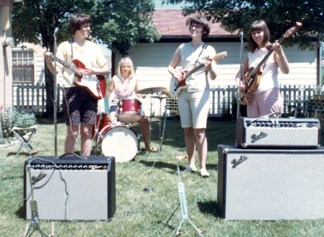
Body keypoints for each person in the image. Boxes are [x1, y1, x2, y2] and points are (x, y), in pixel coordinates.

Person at [45, 13, 109, 156]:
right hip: (72, 91)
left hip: (91, 91)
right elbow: (56, 70)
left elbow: (106, 70)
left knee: (87, 130)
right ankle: (68, 162)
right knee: (72, 132)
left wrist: (94, 70)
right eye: (85, 26)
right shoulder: (65, 47)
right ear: (77, 27)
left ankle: (85, 163)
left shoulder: (94, 47)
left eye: (89, 25)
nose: (88, 29)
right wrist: (49, 60)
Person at [168, 16, 217, 177]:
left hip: (200, 92)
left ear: (204, 30)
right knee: (187, 130)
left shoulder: (209, 50)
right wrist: (176, 74)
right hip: (182, 92)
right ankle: (191, 164)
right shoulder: (182, 47)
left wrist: (210, 68)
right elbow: (171, 66)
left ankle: (203, 167)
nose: (193, 29)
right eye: (191, 26)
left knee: (200, 130)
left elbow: (214, 75)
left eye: (197, 27)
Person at [236, 20, 289, 118]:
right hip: (251, 96)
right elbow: (239, 75)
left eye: (259, 32)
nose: (256, 35)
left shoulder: (273, 50)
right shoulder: (250, 55)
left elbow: (286, 70)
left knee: (269, 127)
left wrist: (280, 52)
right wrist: (239, 84)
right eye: (253, 33)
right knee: (253, 128)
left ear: (265, 32)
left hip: (268, 93)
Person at [106, 57, 157, 152]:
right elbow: (109, 90)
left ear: (131, 68)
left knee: (145, 120)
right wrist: (107, 93)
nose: (126, 69)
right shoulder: (115, 78)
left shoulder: (134, 79)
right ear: (120, 68)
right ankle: (114, 146)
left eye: (128, 67)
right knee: (111, 120)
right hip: (116, 104)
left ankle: (147, 146)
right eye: (123, 66)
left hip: (129, 105)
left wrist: (142, 94)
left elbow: (137, 93)